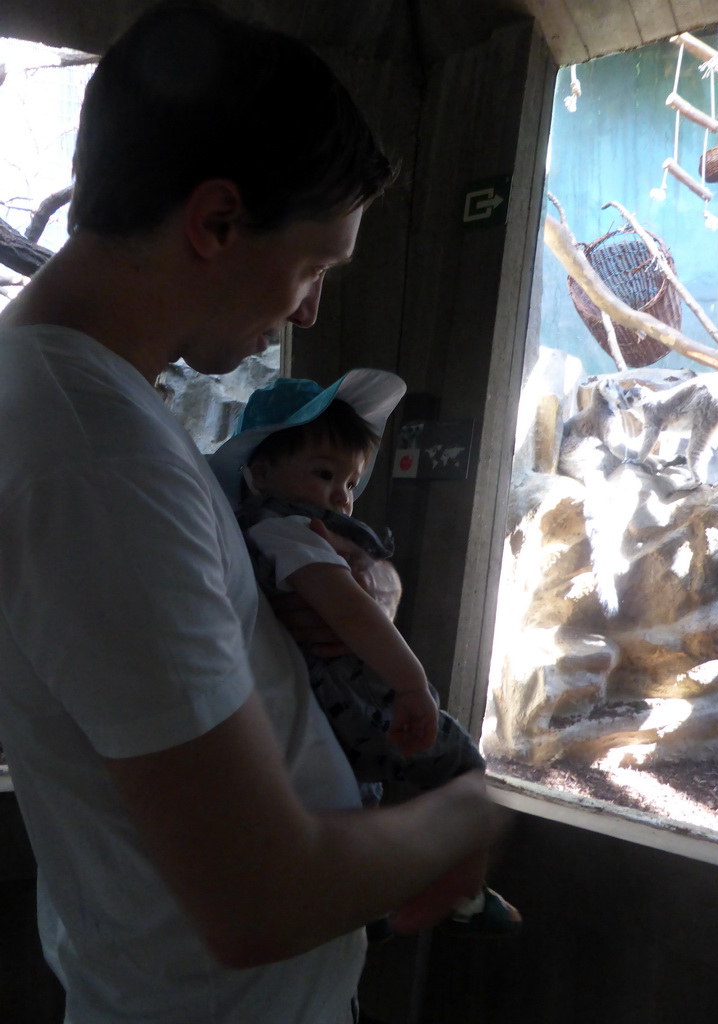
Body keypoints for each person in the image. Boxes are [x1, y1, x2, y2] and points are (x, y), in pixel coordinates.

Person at [0, 4, 500, 1023]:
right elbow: (256, 898)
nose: (308, 308)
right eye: (313, 265)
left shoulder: (73, 407)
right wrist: (465, 816)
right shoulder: (99, 459)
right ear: (217, 222)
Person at [210, 369, 524, 937]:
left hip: (321, 711)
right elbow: (348, 611)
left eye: (350, 483)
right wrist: (411, 685)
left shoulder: (257, 529)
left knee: (366, 792)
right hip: (352, 698)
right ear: (259, 473)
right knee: (461, 766)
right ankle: (467, 896)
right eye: (325, 474)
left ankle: (383, 900)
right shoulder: (290, 531)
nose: (340, 495)